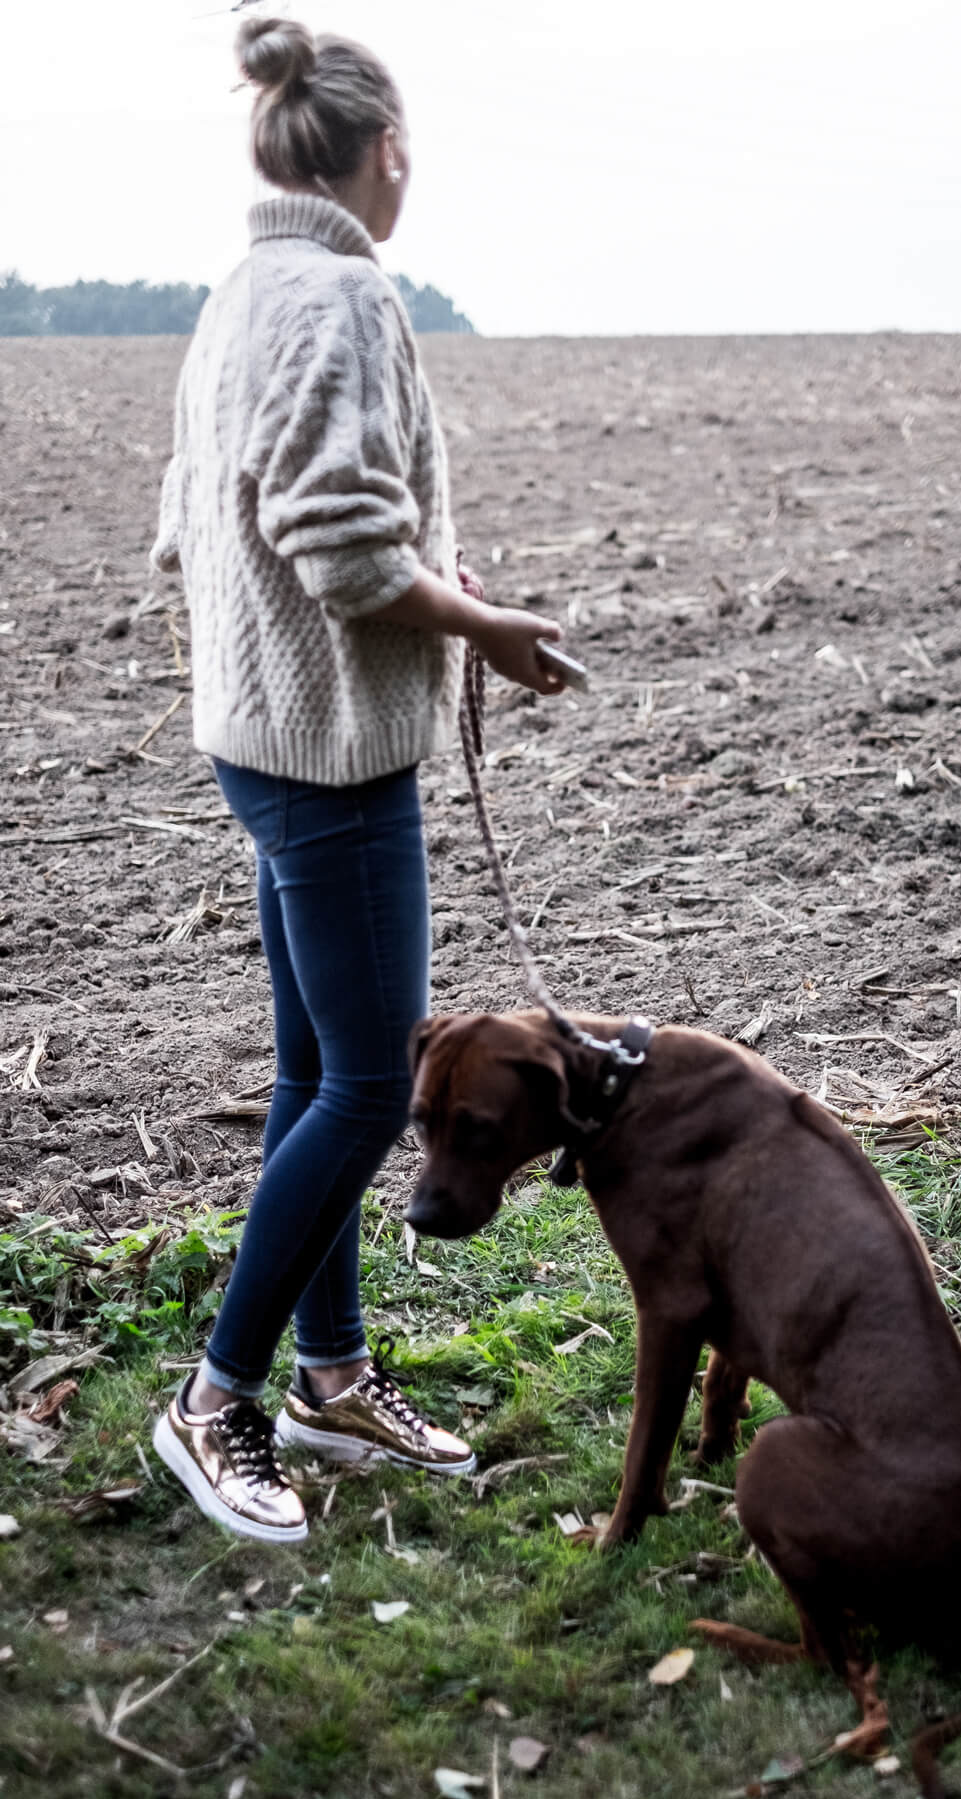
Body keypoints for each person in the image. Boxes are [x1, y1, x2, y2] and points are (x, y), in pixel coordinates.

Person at [149, 16, 564, 1544]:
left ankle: (327, 1376)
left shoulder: (248, 286)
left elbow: (223, 511)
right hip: (331, 758)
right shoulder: (340, 296)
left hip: (260, 735)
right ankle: (217, 1402)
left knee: (313, 1075)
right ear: (386, 150)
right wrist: (486, 627)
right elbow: (334, 546)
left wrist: (430, 583)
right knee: (368, 1085)